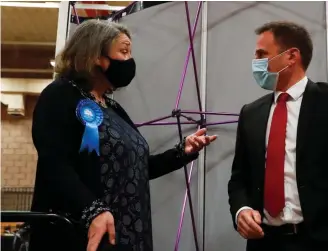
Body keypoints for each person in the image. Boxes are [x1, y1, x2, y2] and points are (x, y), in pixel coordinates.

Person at [30, 19, 217, 251]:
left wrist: (181, 152)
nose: (130, 60)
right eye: (124, 51)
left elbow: (136, 168)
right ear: (95, 54)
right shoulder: (59, 95)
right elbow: (55, 163)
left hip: (127, 233)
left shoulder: (112, 107)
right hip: (83, 232)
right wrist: (93, 209)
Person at [227, 21, 328, 251]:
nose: (256, 63)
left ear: (291, 56)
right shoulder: (250, 113)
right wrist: (241, 210)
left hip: (324, 242)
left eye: (263, 54)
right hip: (265, 243)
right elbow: (239, 178)